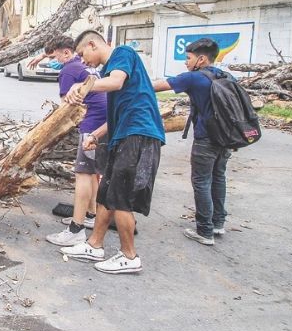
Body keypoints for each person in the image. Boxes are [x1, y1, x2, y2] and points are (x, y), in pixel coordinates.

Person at [60, 30, 165, 274]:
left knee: (121, 196)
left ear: (93, 44)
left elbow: (116, 81)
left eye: (82, 54)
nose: (83, 61)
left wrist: (84, 86)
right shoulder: (109, 74)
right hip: (123, 133)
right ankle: (94, 244)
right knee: (107, 193)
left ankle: (129, 256)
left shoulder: (122, 54)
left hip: (139, 134)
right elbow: (117, 111)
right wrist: (96, 135)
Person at [30, 36, 108, 247]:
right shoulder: (83, 65)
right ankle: (90, 215)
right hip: (105, 120)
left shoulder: (68, 71)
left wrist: (47, 131)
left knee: (83, 173)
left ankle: (76, 228)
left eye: (54, 56)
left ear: (66, 53)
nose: (53, 60)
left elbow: (67, 107)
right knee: (93, 173)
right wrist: (43, 54)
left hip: (92, 123)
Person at [152, 38, 230, 246]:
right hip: (226, 137)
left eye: (188, 58)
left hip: (206, 138)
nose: (186, 63)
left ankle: (204, 230)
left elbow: (155, 87)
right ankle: (217, 222)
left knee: (201, 181)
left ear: (202, 59)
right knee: (218, 177)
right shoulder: (225, 76)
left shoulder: (194, 78)